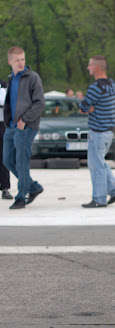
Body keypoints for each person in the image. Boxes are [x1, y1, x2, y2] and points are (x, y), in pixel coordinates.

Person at [78, 55, 115, 208]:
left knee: (96, 166)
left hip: (97, 131)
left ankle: (99, 199)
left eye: (90, 64)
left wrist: (89, 108)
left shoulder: (95, 88)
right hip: (108, 132)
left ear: (96, 67)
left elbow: (83, 107)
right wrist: (91, 107)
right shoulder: (112, 84)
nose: (88, 67)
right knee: (101, 163)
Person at [2, 46, 45, 210]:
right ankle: (33, 187)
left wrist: (25, 120)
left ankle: (21, 197)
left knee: (21, 162)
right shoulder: (11, 78)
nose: (21, 63)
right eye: (17, 60)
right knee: (7, 160)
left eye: (23, 59)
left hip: (25, 126)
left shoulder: (33, 77)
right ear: (10, 61)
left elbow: (40, 102)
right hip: (11, 126)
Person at [0, 79, 11, 200]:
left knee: (3, 156)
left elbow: (4, 101)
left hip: (1, 124)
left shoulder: (3, 85)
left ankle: (5, 187)